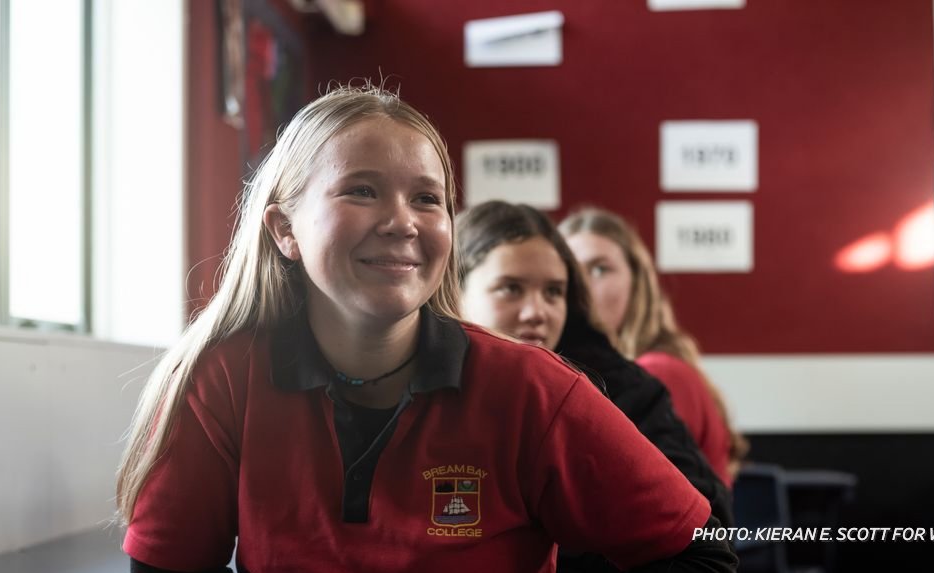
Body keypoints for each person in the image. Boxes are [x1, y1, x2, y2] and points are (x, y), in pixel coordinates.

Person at [116, 85, 737, 573]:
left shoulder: (533, 390)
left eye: (426, 198)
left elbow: (701, 553)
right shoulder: (223, 378)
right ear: (284, 231)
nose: (401, 222)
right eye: (361, 190)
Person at [455, 201, 736, 571]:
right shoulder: (402, 390)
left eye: (554, 292)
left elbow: (704, 537)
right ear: (454, 292)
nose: (537, 311)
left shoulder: (620, 390)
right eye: (511, 288)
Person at [559, 207, 748, 487]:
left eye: (600, 269)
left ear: (637, 284)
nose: (582, 287)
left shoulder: (657, 373)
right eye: (571, 272)